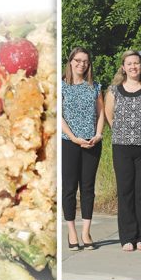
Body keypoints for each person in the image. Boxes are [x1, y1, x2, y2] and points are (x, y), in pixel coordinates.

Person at [104, 50, 141, 252]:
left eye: (137, 63)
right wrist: (123, 132)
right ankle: (127, 237)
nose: (134, 67)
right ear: (123, 67)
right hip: (122, 147)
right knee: (125, 192)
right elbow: (109, 116)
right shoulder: (114, 90)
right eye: (130, 63)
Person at [61, 47, 104, 251]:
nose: (81, 64)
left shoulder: (94, 86)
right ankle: (71, 230)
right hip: (69, 142)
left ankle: (86, 231)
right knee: (69, 188)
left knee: (87, 187)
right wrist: (73, 138)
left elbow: (101, 112)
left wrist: (98, 134)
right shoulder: (60, 86)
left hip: (92, 142)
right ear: (70, 62)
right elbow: (58, 116)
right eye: (78, 60)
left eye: (85, 61)